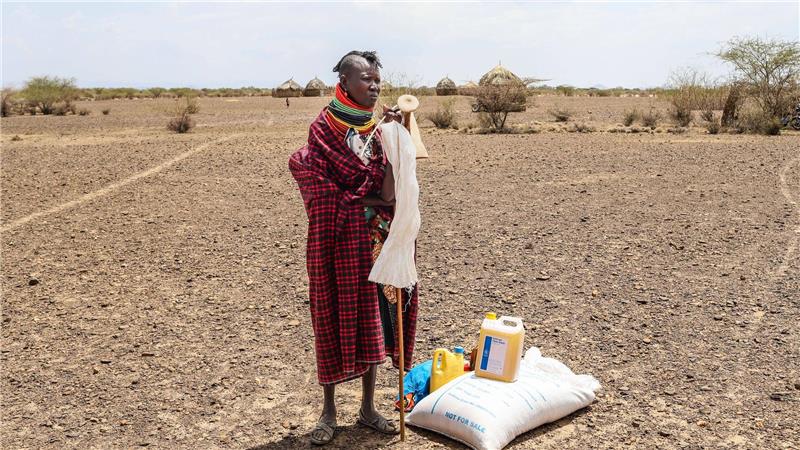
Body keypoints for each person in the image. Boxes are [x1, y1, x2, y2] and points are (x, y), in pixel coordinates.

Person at [288, 50, 419, 445]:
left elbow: (388, 191)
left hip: (375, 240)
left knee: (373, 318)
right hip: (335, 239)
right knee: (331, 314)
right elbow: (315, 181)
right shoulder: (323, 129)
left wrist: (395, 138)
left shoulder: (378, 129)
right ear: (344, 82)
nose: (374, 86)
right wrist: (360, 200)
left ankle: (368, 408)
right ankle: (328, 411)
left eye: (377, 79)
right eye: (366, 78)